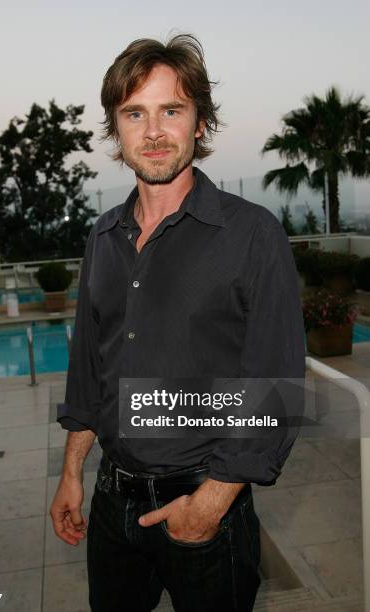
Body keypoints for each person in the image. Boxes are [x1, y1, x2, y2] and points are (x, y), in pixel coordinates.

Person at [50, 33, 305, 612]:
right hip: (113, 505)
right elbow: (90, 371)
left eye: (172, 109)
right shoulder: (102, 237)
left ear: (200, 124)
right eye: (134, 113)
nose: (155, 131)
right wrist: (71, 473)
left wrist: (207, 509)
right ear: (116, 130)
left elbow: (277, 391)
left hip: (205, 508)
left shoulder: (252, 235)